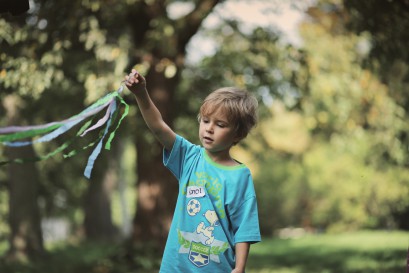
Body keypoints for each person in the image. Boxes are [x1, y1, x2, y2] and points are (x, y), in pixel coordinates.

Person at [125, 69, 261, 273]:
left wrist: (240, 267)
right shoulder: (189, 157)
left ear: (238, 134)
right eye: (206, 121)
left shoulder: (240, 176)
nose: (209, 129)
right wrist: (141, 93)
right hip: (176, 267)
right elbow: (158, 127)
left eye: (220, 124)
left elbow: (244, 227)